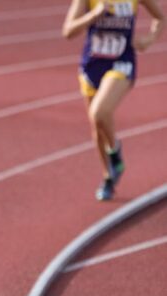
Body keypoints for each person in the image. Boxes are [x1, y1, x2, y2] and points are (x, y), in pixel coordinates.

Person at [62, 0, 164, 201]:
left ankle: (115, 152)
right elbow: (68, 31)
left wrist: (149, 39)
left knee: (99, 112)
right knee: (97, 128)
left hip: (121, 63)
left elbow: (160, 17)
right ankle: (108, 177)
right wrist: (93, 15)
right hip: (91, 66)